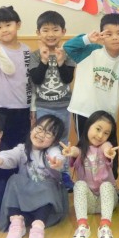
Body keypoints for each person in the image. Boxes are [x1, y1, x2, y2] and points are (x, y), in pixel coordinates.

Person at [0, 114, 68, 238]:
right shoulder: (22, 149)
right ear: (32, 128)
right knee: (14, 179)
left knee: (49, 184)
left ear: (54, 141)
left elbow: (58, 156)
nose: (41, 134)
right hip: (26, 198)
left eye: (48, 133)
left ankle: (38, 228)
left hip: (47, 202)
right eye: (40, 128)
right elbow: (10, 156)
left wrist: (58, 162)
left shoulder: (52, 151)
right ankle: (16, 222)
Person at [64, 12, 119, 138]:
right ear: (102, 36)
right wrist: (87, 38)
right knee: (85, 147)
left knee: (108, 148)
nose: (114, 37)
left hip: (108, 115)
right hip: (84, 111)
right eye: (109, 34)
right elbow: (68, 47)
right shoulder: (91, 50)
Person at [62, 111, 119, 238]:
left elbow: (107, 147)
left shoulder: (106, 146)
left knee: (106, 186)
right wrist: (71, 151)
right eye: (98, 129)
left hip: (107, 202)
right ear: (88, 126)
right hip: (87, 203)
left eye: (106, 133)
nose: (100, 136)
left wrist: (108, 152)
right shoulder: (82, 149)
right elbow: (76, 150)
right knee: (79, 184)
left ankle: (105, 227)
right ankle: (83, 227)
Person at [0, 6, 32, 149]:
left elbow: (28, 79)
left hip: (23, 106)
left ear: (18, 25)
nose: (4, 30)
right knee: (1, 147)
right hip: (2, 106)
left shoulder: (26, 49)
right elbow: (9, 70)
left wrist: (32, 106)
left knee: (22, 147)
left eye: (8, 25)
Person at [29, 10, 75, 141]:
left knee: (62, 140)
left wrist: (61, 62)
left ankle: (63, 156)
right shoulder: (35, 55)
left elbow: (68, 79)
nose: (50, 34)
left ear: (63, 31)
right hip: (43, 107)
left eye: (55, 30)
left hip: (64, 106)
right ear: (38, 33)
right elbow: (36, 80)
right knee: (43, 139)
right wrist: (44, 61)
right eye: (45, 30)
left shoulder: (67, 54)